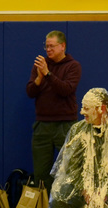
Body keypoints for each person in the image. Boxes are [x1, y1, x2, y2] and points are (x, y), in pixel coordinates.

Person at [26, 30, 82, 191]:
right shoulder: (41, 65)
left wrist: (47, 74)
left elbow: (66, 89)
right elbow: (30, 92)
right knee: (41, 173)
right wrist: (39, 78)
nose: (48, 49)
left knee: (71, 170)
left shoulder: (73, 66)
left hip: (65, 125)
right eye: (46, 46)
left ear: (62, 46)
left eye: (51, 46)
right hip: (42, 125)